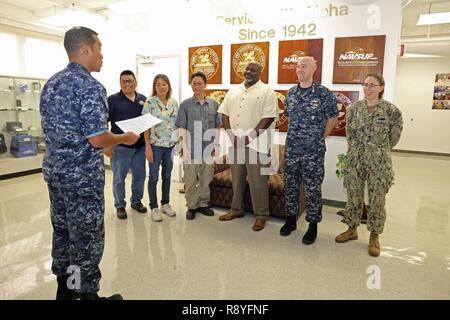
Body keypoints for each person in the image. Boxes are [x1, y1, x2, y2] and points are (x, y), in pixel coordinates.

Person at [40, 26, 139, 300]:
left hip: (56, 174)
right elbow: (97, 138)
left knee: (63, 232)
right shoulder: (90, 86)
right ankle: (85, 296)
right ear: (85, 49)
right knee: (86, 239)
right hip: (81, 178)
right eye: (99, 48)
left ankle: (65, 291)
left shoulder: (52, 83)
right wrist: (124, 138)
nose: (102, 55)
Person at [335, 73, 403, 257]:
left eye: (372, 85)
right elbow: (350, 134)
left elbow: (393, 138)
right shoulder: (354, 109)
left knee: (377, 200)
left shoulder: (391, 111)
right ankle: (352, 229)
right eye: (365, 85)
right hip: (356, 160)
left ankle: (374, 236)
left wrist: (377, 150)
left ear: (381, 87)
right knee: (354, 196)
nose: (368, 88)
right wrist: (357, 153)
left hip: (379, 163)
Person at [280, 56, 338, 244]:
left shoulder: (324, 94)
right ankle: (291, 220)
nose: (300, 69)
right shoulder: (291, 93)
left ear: (314, 69)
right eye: (297, 66)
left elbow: (332, 118)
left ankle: (312, 225)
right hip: (292, 150)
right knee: (290, 186)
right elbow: (289, 117)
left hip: (313, 151)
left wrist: (321, 137)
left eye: (304, 66)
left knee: (313, 189)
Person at [218, 61, 278, 232]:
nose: (249, 72)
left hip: (257, 145)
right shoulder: (234, 90)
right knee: (236, 180)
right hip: (235, 143)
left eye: (253, 69)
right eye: (247, 69)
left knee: (258, 182)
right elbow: (224, 113)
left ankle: (261, 216)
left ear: (260, 72)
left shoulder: (268, 91)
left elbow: (267, 118)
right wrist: (230, 135)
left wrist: (249, 137)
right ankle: (236, 210)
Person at [175, 71, 221, 220]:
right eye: (194, 83)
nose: (196, 86)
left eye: (199, 83)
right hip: (191, 149)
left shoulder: (214, 104)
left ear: (205, 85)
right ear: (191, 85)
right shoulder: (185, 105)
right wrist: (184, 148)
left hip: (208, 149)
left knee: (206, 179)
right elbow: (181, 127)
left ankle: (203, 204)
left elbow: (217, 127)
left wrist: (217, 145)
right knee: (189, 180)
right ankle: (192, 206)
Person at [104, 70, 147, 219]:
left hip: (140, 147)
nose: (127, 84)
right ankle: (119, 205)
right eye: (124, 81)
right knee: (119, 178)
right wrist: (106, 145)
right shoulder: (112, 100)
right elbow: (104, 122)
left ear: (136, 82)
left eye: (130, 81)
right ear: (120, 83)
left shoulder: (143, 99)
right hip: (120, 147)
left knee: (140, 176)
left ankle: (136, 201)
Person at [142, 74, 179, 221]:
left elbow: (177, 124)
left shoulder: (174, 103)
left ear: (168, 86)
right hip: (155, 146)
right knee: (153, 177)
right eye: (158, 84)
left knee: (167, 176)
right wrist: (148, 148)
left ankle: (165, 203)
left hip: (170, 146)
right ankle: (154, 207)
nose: (161, 87)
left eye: (164, 84)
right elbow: (146, 128)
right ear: (154, 87)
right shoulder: (149, 103)